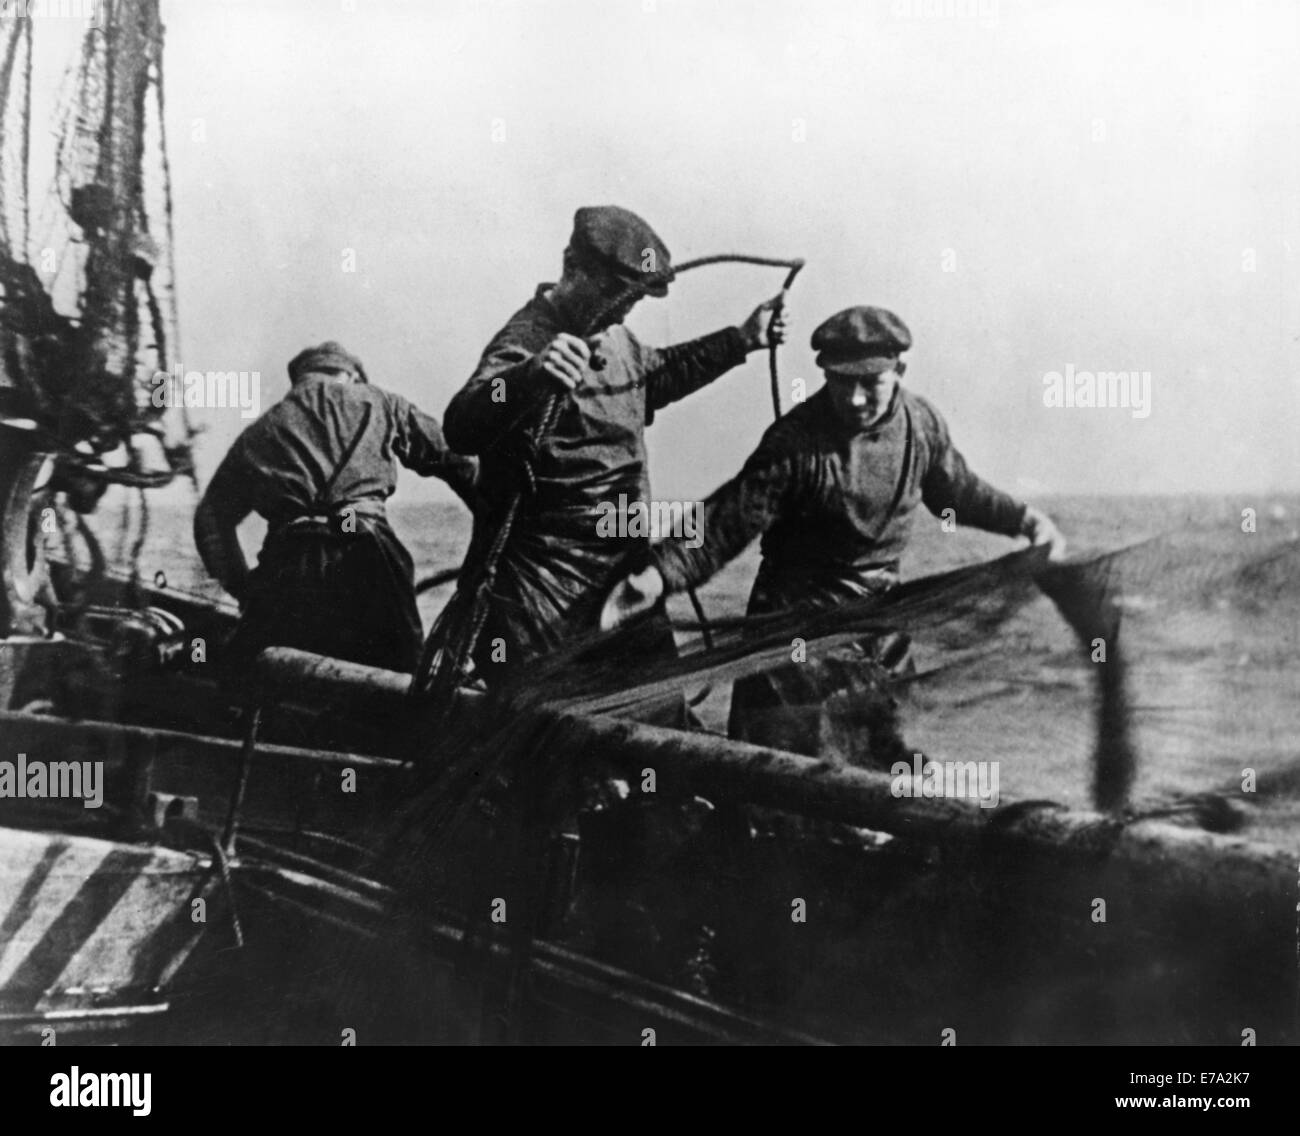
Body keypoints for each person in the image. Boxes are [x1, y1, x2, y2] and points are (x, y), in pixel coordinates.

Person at [602, 305, 1066, 762]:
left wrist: (1024, 520)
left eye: (871, 383)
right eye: (843, 382)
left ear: (899, 370)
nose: (857, 398)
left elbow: (958, 493)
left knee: (894, 765)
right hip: (794, 631)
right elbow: (727, 520)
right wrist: (658, 576)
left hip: (877, 622)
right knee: (791, 779)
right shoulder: (795, 443)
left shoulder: (921, 425)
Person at [441, 205, 787, 687]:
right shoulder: (526, 339)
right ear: (571, 269)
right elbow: (463, 423)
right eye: (612, 293)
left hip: (624, 576)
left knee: (653, 720)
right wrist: (529, 377)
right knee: (549, 736)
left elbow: (653, 379)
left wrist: (740, 341)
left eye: (634, 300)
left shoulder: (618, 339)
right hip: (541, 590)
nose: (623, 309)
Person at [194, 341, 478, 674]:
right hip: (369, 553)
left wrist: (243, 589)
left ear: (300, 379)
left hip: (289, 564)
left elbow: (210, 519)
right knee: (404, 681)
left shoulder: (262, 430)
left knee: (248, 676)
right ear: (351, 375)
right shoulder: (381, 401)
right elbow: (459, 463)